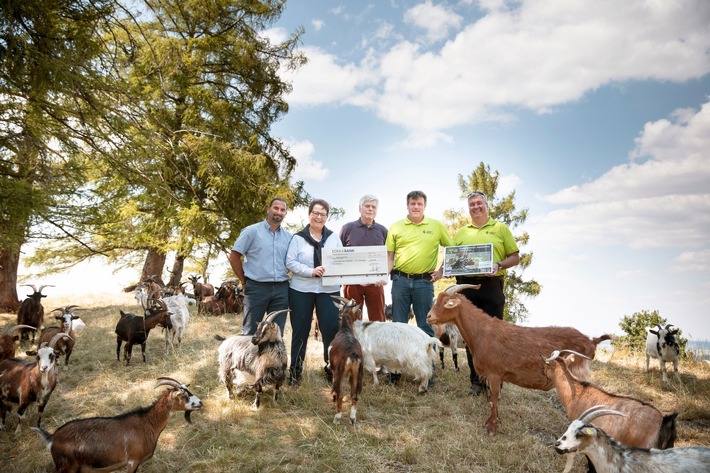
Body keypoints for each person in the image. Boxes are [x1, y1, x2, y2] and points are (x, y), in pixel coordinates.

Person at [452, 190, 520, 395]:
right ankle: (476, 381)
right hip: (466, 288)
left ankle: (495, 380)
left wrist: (498, 265)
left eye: (479, 203)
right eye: (472, 204)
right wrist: (447, 270)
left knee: (495, 336)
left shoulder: (500, 228)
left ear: (486, 205)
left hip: (491, 287)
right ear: (469, 208)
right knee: (471, 336)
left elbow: (515, 257)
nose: (475, 207)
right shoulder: (462, 232)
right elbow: (454, 259)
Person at [286, 199, 343, 385]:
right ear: (309, 214)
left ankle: (331, 369)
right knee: (300, 330)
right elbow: (290, 262)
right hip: (301, 290)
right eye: (315, 213)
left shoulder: (334, 238)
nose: (319, 217)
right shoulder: (298, 238)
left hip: (328, 290)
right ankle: (295, 372)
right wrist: (310, 271)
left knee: (331, 330)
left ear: (327, 217)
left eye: (323, 214)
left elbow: (342, 260)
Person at [386, 190, 453, 337]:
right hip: (400, 281)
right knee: (398, 325)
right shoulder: (396, 227)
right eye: (412, 204)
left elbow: (451, 250)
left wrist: (442, 271)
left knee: (426, 325)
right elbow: (390, 256)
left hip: (424, 282)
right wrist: (384, 275)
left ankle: (428, 361)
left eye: (419, 204)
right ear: (407, 205)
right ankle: (400, 360)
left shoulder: (436, 226)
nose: (416, 207)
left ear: (425, 206)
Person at [228, 198, 291, 336]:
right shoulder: (251, 231)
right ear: (268, 209)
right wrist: (244, 281)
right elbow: (234, 257)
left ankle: (272, 358)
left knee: (276, 333)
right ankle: (248, 358)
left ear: (285, 213)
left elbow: (292, 262)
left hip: (281, 290)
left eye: (282, 210)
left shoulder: (289, 237)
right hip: (256, 288)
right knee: (250, 331)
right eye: (276, 208)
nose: (278, 212)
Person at [339, 194, 388, 322]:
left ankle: (379, 343)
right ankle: (354, 342)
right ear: (360, 208)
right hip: (353, 283)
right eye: (367, 206)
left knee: (378, 319)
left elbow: (388, 255)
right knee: (352, 318)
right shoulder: (348, 228)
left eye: (373, 207)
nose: (370, 209)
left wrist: (384, 276)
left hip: (375, 283)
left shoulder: (382, 230)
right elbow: (339, 255)